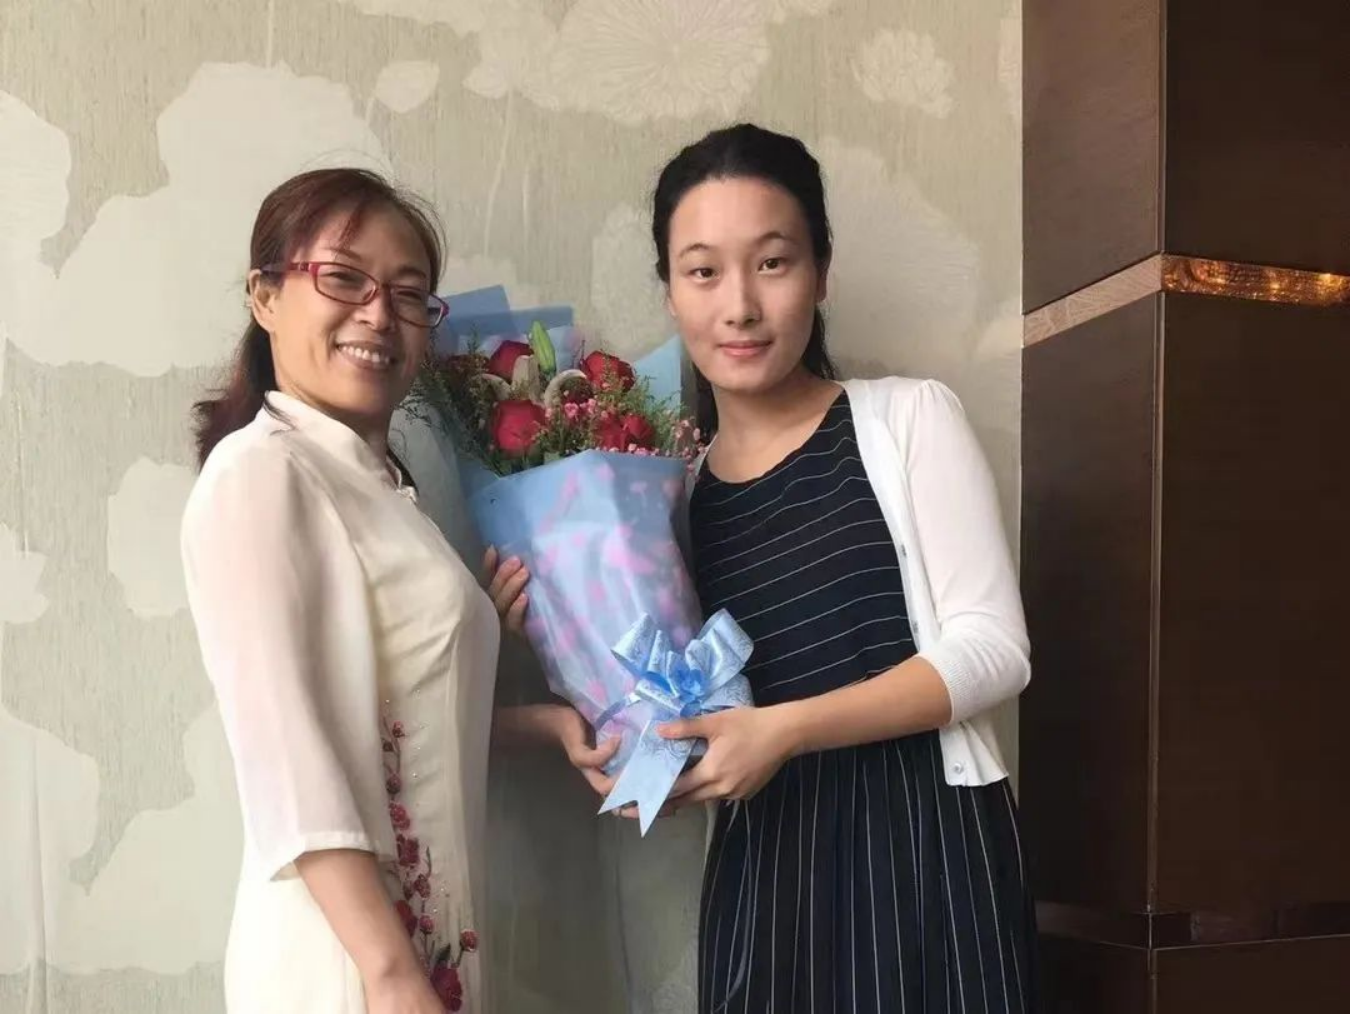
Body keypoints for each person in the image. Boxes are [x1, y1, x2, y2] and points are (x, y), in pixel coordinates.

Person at [650, 124, 1038, 1012]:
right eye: (703, 272)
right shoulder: (675, 502)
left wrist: (785, 730)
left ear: (821, 273)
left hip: (926, 849)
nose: (739, 306)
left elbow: (994, 650)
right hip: (765, 875)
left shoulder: (907, 421)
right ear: (670, 292)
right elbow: (690, 711)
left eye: (773, 263)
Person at [183, 167, 504, 1013]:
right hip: (347, 960)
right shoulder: (260, 471)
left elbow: (394, 720)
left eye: (408, 293)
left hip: (417, 950)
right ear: (265, 296)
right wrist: (390, 974)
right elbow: (284, 745)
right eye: (344, 278)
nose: (379, 313)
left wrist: (539, 725)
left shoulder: (381, 491)